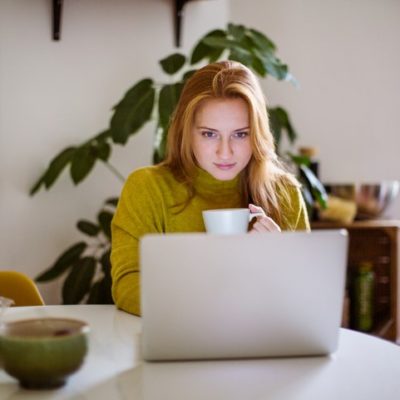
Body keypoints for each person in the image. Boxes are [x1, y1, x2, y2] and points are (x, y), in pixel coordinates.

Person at [111, 60, 310, 315]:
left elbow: (304, 299)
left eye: (240, 134)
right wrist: (209, 306)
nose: (225, 152)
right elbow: (127, 285)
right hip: (178, 341)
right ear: (187, 132)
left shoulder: (284, 193)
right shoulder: (147, 188)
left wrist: (278, 263)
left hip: (261, 344)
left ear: (257, 134)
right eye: (209, 134)